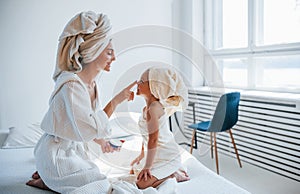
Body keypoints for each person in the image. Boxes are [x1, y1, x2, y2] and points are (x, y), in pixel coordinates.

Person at [26, 11, 136, 193]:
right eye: (109, 52)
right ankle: (50, 178)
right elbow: (89, 128)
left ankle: (50, 180)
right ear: (93, 52)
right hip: (57, 154)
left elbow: (87, 123)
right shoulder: (71, 86)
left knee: (100, 170)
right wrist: (116, 101)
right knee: (101, 185)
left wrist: (103, 143)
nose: (114, 58)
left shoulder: (92, 84)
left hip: (73, 150)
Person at [130, 67, 190, 189]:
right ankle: (168, 172)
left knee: (141, 184)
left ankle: (172, 175)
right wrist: (141, 156)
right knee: (133, 171)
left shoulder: (154, 108)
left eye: (142, 81)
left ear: (154, 87)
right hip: (156, 154)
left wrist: (147, 167)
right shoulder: (145, 109)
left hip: (167, 156)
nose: (137, 83)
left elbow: (153, 140)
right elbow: (146, 136)